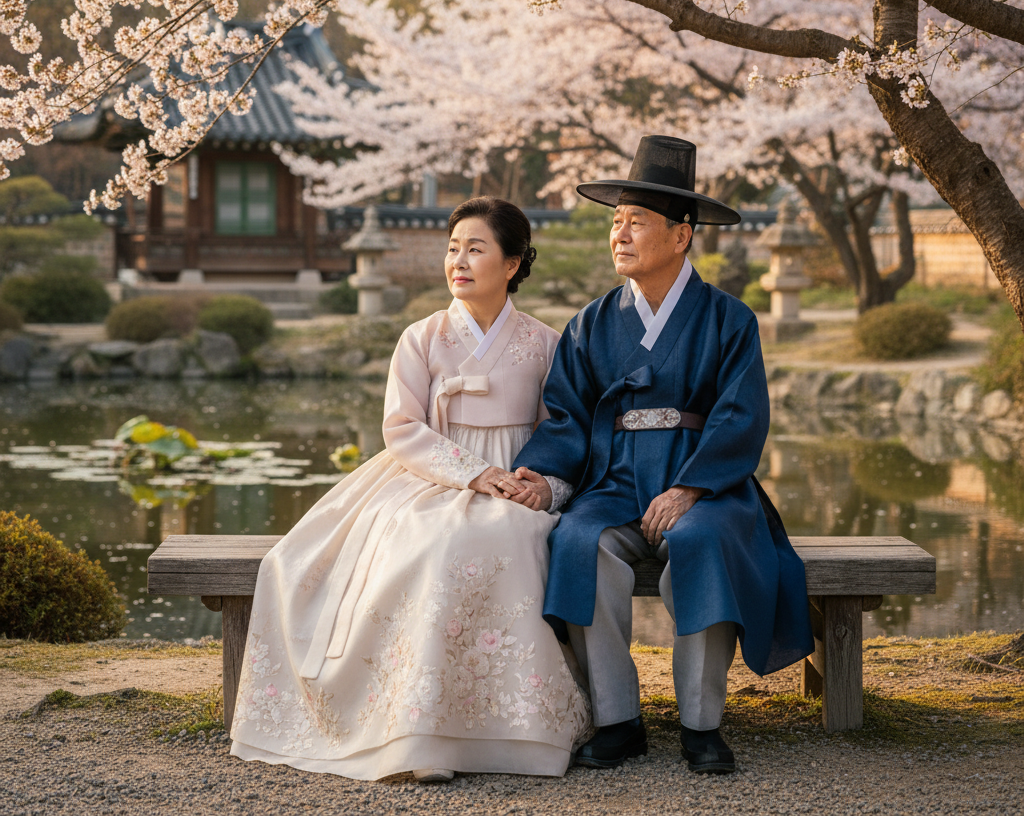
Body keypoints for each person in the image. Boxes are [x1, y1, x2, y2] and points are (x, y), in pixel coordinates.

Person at [230, 197, 590, 781]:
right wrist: (472, 473)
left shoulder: (547, 344)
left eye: (476, 249)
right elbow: (401, 428)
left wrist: (544, 486)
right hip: (430, 474)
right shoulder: (422, 337)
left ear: (514, 263)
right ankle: (418, 729)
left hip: (515, 480)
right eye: (453, 249)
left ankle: (513, 729)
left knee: (504, 536)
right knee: (424, 545)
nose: (460, 261)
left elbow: (565, 429)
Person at [511, 136, 813, 774]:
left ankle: (701, 723)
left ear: (682, 235)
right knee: (579, 542)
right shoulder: (591, 323)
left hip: (704, 483)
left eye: (636, 223)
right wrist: (544, 479)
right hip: (616, 479)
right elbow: (565, 414)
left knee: (704, 543)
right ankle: (617, 719)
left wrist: (691, 487)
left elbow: (741, 415)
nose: (619, 235)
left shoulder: (730, 319)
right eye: (614, 223)